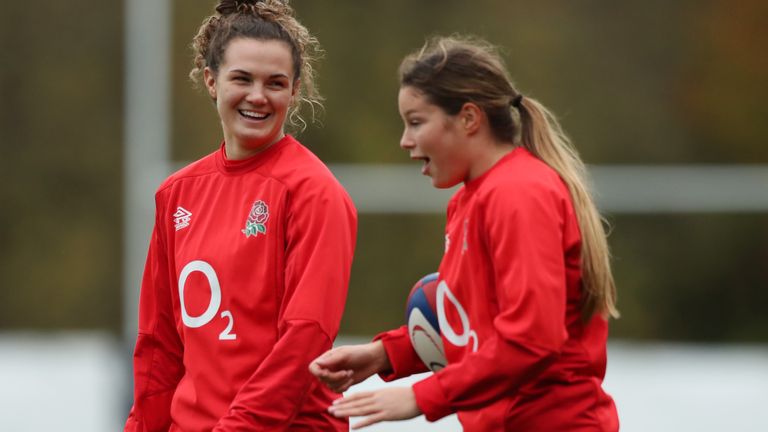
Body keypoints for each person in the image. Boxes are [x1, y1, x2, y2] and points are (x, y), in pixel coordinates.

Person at [310, 35, 620, 431]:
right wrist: (384, 355)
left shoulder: (520, 194)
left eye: (416, 122)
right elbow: (475, 327)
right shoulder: (468, 201)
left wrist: (421, 396)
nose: (405, 140)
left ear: (470, 119)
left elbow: (532, 340)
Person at [124, 1, 356, 430]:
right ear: (212, 81)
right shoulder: (176, 195)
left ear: (295, 90)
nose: (257, 96)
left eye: (276, 82)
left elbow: (305, 337)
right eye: (242, 79)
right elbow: (160, 345)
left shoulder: (314, 193)